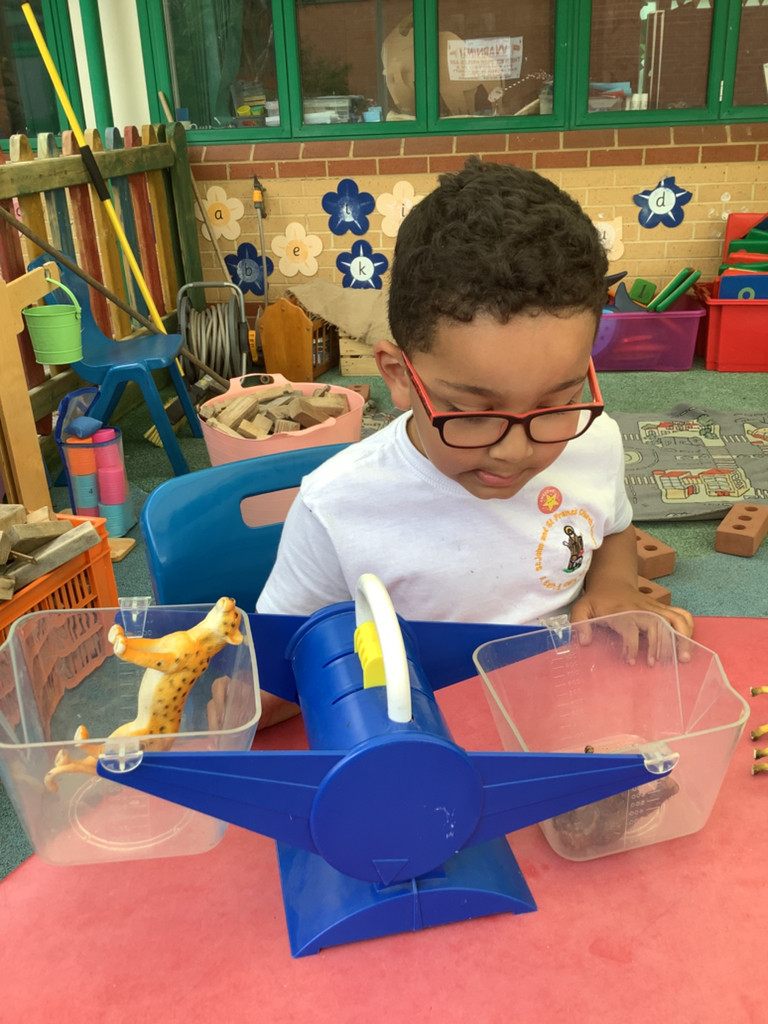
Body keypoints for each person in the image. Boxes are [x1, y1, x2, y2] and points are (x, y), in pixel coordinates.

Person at [256, 157, 694, 724]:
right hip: (413, 734)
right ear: (398, 376)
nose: (516, 450)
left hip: (557, 713)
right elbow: (283, 667)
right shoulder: (334, 507)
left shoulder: (594, 440)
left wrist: (614, 587)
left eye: (556, 401)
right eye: (471, 412)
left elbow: (611, 527)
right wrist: (250, 699)